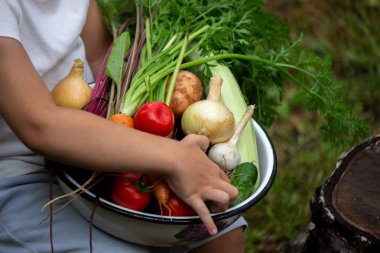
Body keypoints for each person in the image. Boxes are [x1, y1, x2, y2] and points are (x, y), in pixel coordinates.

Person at [0, 1, 247, 252]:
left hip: (96, 145)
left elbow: (100, 57)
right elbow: (39, 125)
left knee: (223, 233)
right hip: (23, 178)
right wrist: (173, 157)